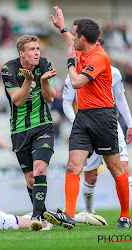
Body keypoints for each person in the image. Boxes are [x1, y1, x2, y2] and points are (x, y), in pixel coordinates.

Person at [44, 6, 131, 229]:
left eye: (74, 34)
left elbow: (76, 82)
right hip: (83, 118)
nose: (72, 38)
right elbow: (70, 44)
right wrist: (62, 28)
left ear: (83, 38)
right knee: (74, 166)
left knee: (115, 168)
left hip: (103, 117)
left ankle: (124, 216)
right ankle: (69, 215)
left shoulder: (100, 57)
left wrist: (70, 62)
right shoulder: (84, 49)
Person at [63, 38, 132, 220]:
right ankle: (83, 212)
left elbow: (121, 99)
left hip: (106, 121)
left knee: (121, 167)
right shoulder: (74, 72)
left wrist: (130, 123)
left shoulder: (111, 70)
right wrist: (62, 28)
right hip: (84, 122)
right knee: (86, 173)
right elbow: (66, 102)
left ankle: (125, 215)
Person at [1, 35, 57, 231]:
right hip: (19, 130)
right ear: (21, 53)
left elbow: (50, 99)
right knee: (31, 179)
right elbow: (17, 100)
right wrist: (28, 81)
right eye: (32, 49)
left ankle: (36, 216)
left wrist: (43, 82)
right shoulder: (8, 69)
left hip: (43, 126)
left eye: (38, 48)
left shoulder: (45, 64)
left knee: (40, 168)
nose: (36, 52)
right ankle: (43, 216)